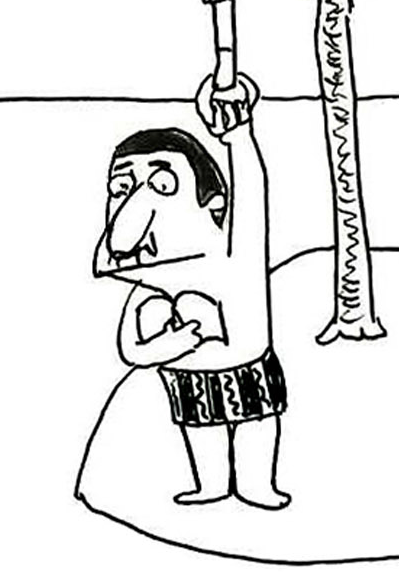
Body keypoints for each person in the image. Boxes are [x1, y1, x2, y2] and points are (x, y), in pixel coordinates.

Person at [94, 69, 287, 509]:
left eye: (164, 184)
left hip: (248, 371)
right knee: (201, 432)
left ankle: (258, 484)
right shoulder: (149, 285)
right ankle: (211, 485)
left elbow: (252, 187)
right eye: (122, 187)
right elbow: (131, 349)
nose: (138, 200)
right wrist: (167, 346)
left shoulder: (236, 256)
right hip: (189, 381)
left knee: (256, 427)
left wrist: (238, 132)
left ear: (213, 203)